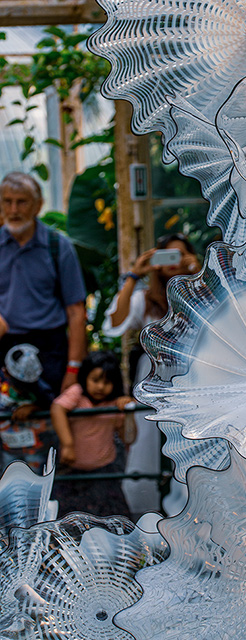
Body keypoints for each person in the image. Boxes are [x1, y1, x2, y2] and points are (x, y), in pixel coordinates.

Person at [102, 232, 200, 514]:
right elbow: (114, 324)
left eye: (180, 255)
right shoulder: (145, 300)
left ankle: (190, 508)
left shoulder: (200, 294)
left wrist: (198, 272)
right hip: (153, 381)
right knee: (147, 445)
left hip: (192, 380)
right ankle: (148, 514)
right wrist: (134, 274)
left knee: (189, 443)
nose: (173, 263)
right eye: (167, 256)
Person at [0, 172, 86, 393]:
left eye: (22, 202)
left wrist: (73, 369)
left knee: (49, 412)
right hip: (4, 347)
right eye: (7, 201)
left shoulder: (58, 246)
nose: (13, 210)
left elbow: (76, 311)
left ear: (38, 206)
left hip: (49, 350)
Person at [50, 350, 134, 517]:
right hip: (72, 471)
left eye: (107, 382)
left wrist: (129, 413)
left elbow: (129, 438)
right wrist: (68, 445)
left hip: (103, 471)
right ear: (85, 377)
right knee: (68, 519)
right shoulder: (77, 393)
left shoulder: (115, 403)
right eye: (95, 380)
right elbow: (57, 408)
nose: (100, 387)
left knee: (112, 519)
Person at [0, 343, 55, 473]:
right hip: (8, 448)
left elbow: (51, 404)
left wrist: (33, 408)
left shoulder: (42, 389)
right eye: (19, 384)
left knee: (33, 477)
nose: (22, 388)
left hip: (34, 450)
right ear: (6, 372)